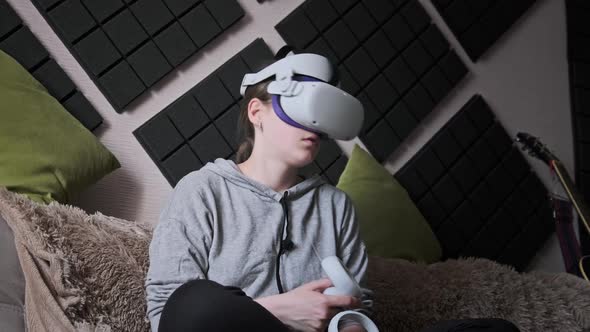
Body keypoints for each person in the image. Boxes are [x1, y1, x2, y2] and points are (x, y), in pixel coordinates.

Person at [145, 51, 521, 332]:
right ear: (256, 112)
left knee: (495, 331)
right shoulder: (202, 190)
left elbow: (357, 303)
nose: (314, 125)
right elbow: (171, 313)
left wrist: (350, 323)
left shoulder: (335, 206)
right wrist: (280, 310)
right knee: (195, 301)